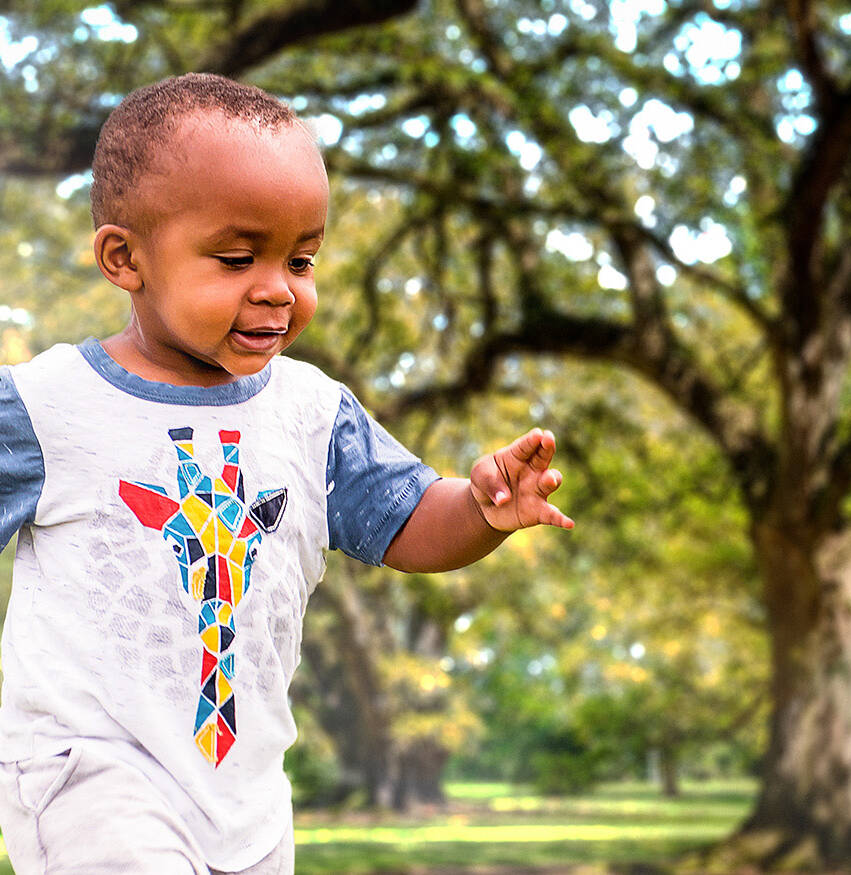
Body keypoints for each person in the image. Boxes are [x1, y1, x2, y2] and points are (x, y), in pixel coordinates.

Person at [0, 73, 574, 874]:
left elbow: (406, 521)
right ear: (124, 258)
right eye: (237, 258)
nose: (277, 288)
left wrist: (480, 510)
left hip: (247, 790)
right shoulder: (45, 405)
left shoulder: (311, 411)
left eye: (300, 258)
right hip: (90, 768)